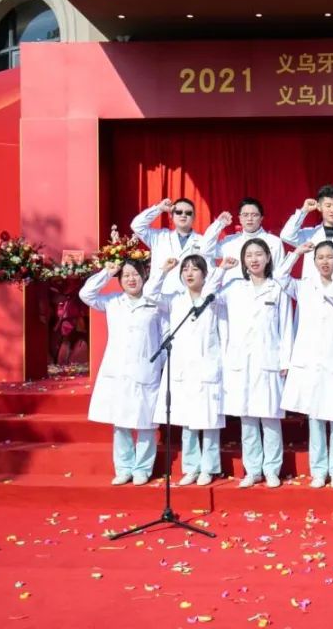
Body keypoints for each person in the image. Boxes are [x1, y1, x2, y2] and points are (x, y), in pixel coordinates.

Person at [214, 238, 294, 488]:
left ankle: (272, 469)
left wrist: (286, 360)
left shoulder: (277, 288)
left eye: (259, 254)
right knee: (247, 419)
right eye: (249, 255)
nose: (254, 259)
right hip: (241, 362)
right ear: (243, 260)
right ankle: (252, 470)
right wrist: (221, 270)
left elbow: (286, 326)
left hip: (269, 360)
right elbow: (208, 295)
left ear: (268, 258)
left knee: (270, 419)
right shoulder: (234, 288)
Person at [277, 240, 333, 489]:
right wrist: (297, 253)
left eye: (330, 257)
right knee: (316, 420)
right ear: (313, 262)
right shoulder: (304, 287)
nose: (325, 262)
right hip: (311, 361)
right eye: (320, 257)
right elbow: (280, 276)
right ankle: (319, 470)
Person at [79, 259, 165, 486]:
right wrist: (107, 273)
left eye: (135, 274)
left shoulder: (154, 303)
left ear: (144, 276)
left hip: (146, 368)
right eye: (126, 275)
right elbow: (86, 294)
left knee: (146, 422)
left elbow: (165, 336)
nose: (131, 279)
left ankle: (142, 469)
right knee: (120, 421)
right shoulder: (112, 302)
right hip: (118, 370)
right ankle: (124, 468)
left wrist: (159, 363)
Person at [150, 254, 229, 486]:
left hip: (208, 365)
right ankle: (191, 467)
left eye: (195, 269)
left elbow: (224, 334)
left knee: (209, 420)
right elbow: (150, 294)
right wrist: (163, 271)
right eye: (185, 269)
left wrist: (222, 270)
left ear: (205, 274)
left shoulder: (214, 300)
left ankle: (209, 468)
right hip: (183, 367)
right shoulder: (176, 300)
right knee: (187, 420)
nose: (189, 273)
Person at [131, 197, 229, 295]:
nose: (183, 215)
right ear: (171, 215)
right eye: (178, 212)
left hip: (190, 299)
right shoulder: (159, 237)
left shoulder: (204, 241)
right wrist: (159, 208)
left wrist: (219, 224)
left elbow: (214, 264)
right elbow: (136, 225)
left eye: (188, 213)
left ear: (194, 217)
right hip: (160, 296)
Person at [281, 184, 333, 277]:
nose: (332, 210)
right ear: (319, 207)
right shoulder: (309, 235)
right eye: (328, 206)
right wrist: (304, 211)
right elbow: (286, 235)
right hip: (313, 285)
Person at [210, 197, 286, 283]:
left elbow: (281, 276)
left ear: (261, 218)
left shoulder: (274, 242)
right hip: (232, 291)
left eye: (254, 215)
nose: (249, 218)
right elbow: (205, 250)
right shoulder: (229, 241)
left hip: (264, 290)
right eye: (245, 215)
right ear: (239, 218)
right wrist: (218, 224)